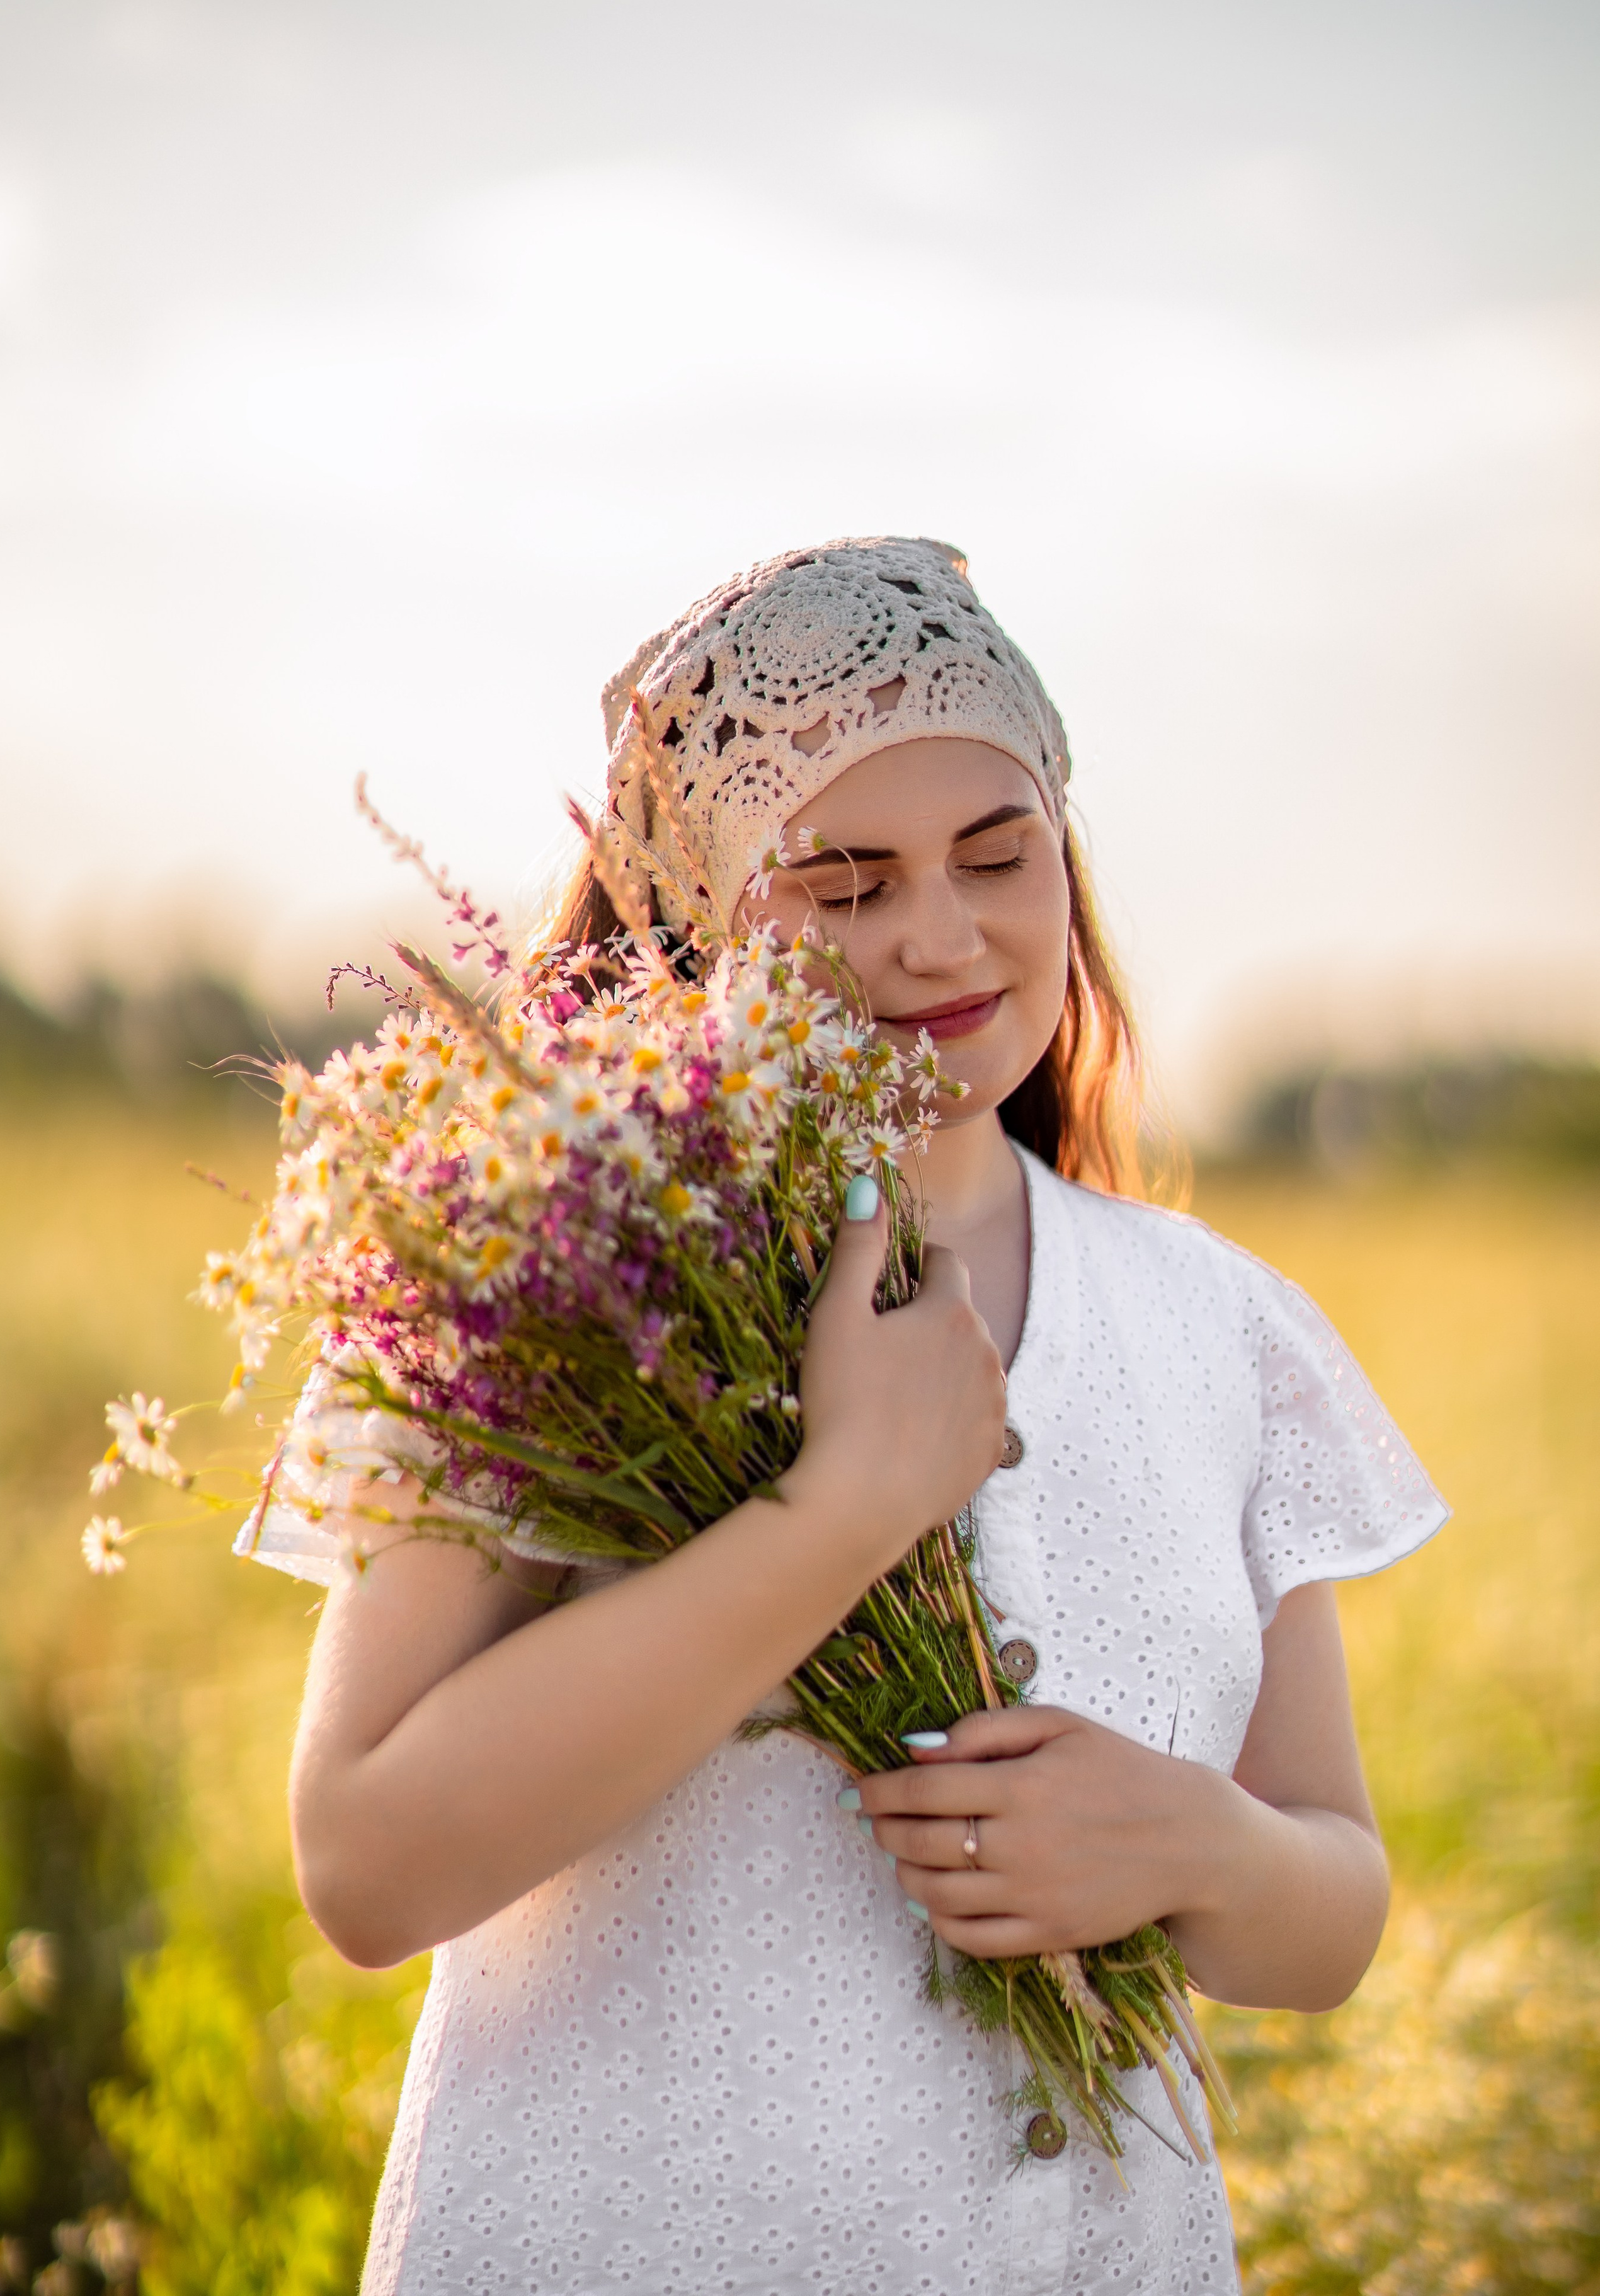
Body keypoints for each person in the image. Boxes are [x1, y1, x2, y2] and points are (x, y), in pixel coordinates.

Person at [241, 537, 1448, 2293]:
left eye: (996, 853)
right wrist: (838, 1519)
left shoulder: (1219, 1327)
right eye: (844, 879)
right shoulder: (544, 1292)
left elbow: (1330, 1909)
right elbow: (365, 1864)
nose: (940, 936)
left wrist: (1195, 1847)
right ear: (700, 913)